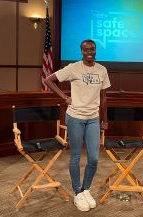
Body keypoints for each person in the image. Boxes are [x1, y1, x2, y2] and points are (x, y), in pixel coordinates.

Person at [44, 39, 110, 212]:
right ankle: (77, 192)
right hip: (75, 117)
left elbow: (103, 97)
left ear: (96, 50)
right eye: (85, 49)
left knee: (94, 158)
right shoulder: (73, 68)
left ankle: (86, 189)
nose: (89, 51)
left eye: (92, 48)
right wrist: (64, 98)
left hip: (93, 118)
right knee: (75, 156)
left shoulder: (102, 70)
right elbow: (49, 80)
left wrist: (105, 119)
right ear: (81, 51)